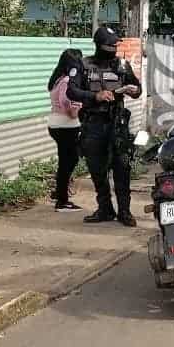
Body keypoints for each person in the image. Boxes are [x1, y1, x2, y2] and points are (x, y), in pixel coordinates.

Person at [68, 27, 143, 227]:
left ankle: (124, 211)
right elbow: (71, 91)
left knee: (122, 168)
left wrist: (134, 90)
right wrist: (95, 96)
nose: (113, 48)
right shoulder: (83, 65)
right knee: (97, 170)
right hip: (93, 125)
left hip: (117, 125)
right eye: (109, 45)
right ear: (98, 45)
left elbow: (138, 88)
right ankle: (105, 209)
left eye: (115, 45)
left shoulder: (122, 65)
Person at [48, 48, 86, 212]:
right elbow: (68, 104)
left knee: (67, 160)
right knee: (68, 162)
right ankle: (62, 201)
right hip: (66, 126)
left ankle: (60, 192)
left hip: (56, 124)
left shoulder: (57, 79)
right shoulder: (66, 82)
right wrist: (77, 109)